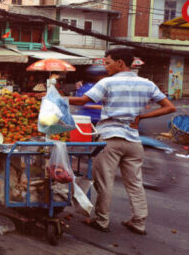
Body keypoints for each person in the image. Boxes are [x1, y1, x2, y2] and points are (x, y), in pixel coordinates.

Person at [68, 48, 175, 236]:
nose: (105, 66)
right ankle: (139, 222)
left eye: (108, 62)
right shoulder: (146, 83)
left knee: (104, 183)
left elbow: (82, 100)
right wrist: (141, 117)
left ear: (120, 63)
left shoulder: (107, 82)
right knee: (135, 183)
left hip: (109, 138)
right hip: (134, 140)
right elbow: (169, 107)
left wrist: (55, 98)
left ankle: (102, 221)